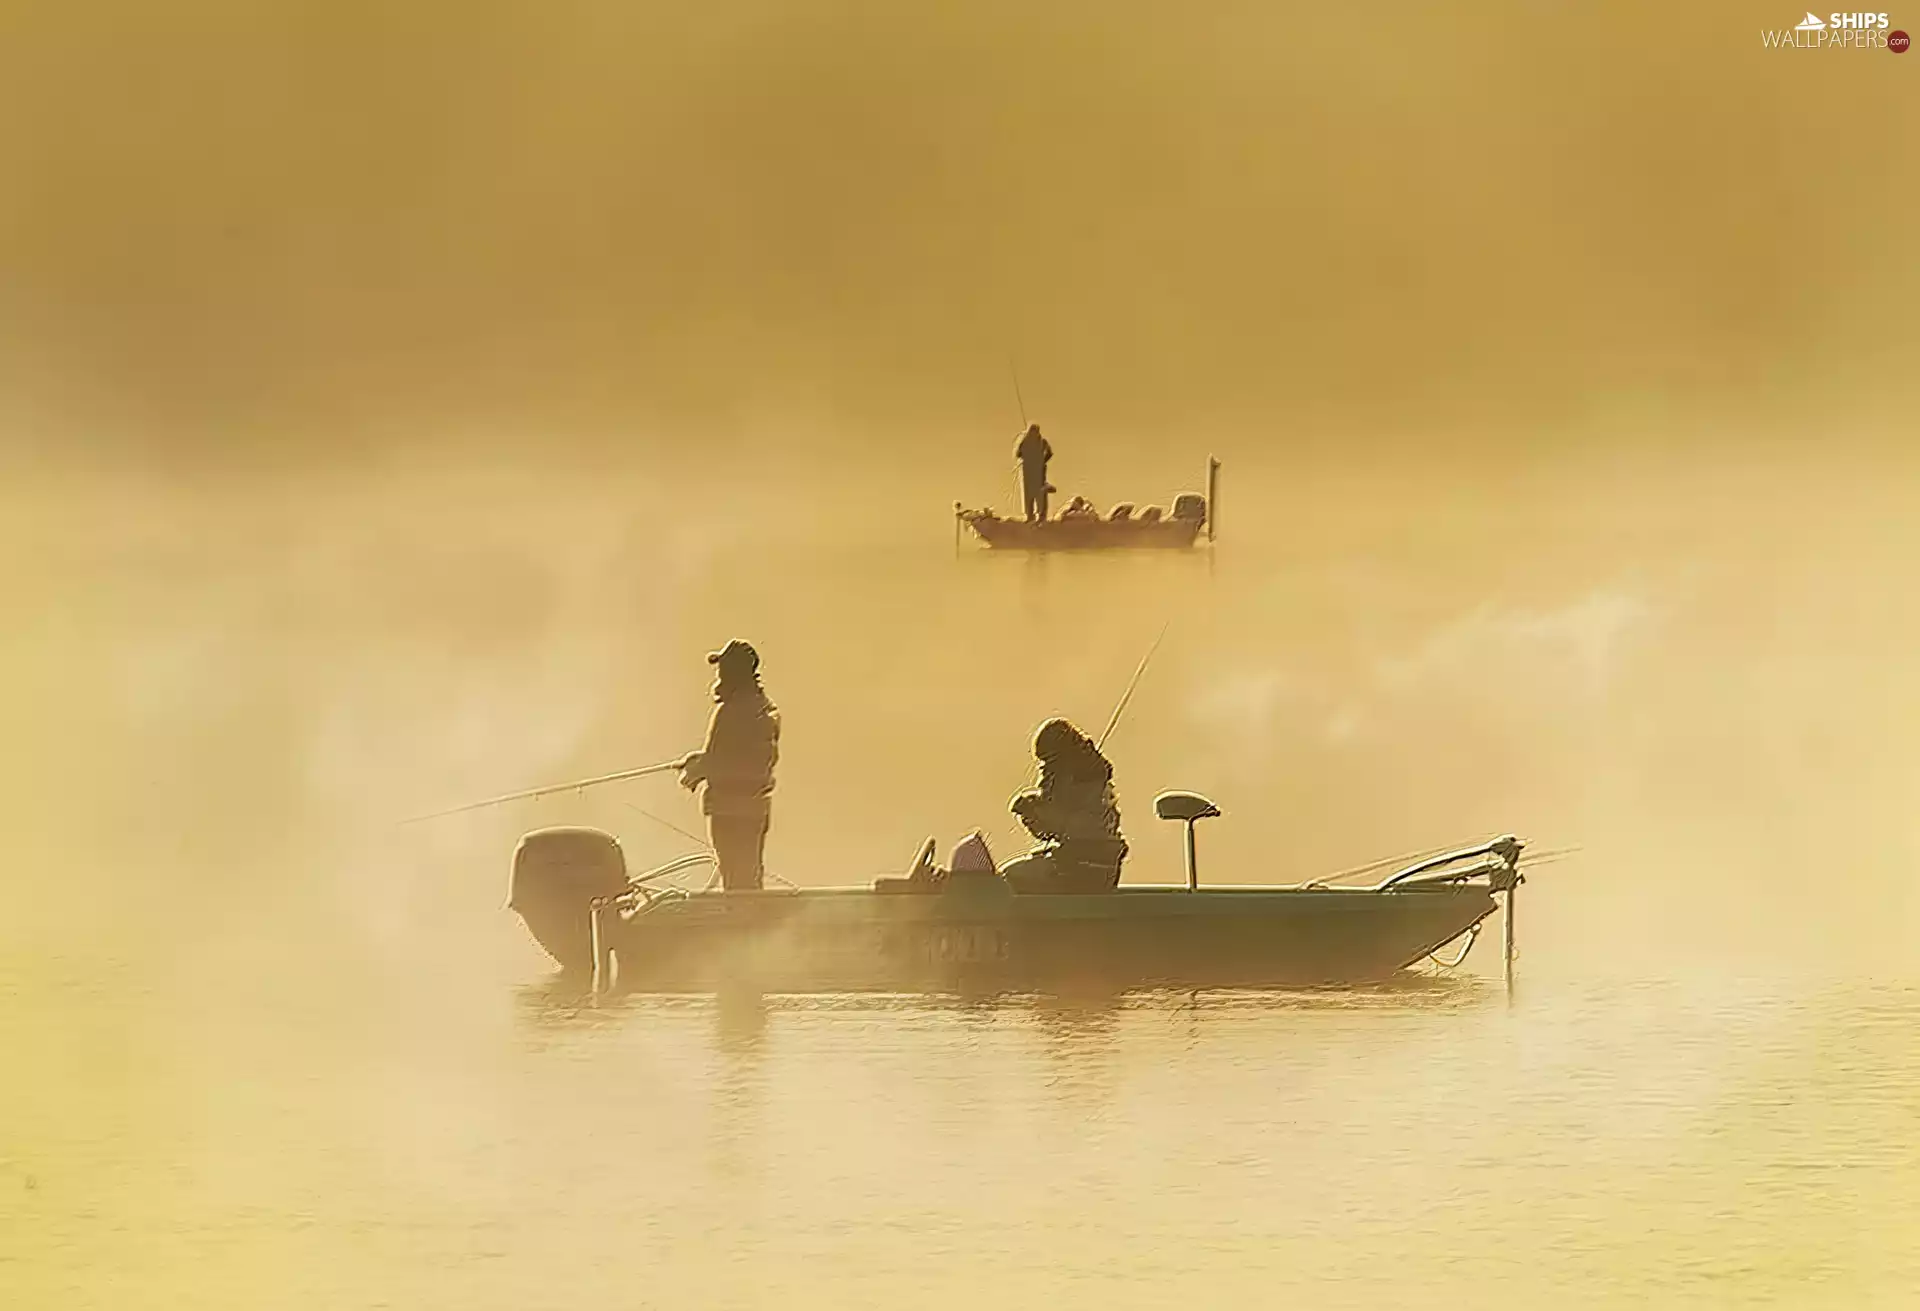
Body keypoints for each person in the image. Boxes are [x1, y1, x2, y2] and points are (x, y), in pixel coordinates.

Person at [678, 639, 780, 891]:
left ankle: (743, 922)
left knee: (736, 878)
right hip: (754, 808)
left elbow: (727, 762)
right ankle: (750, 920)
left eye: (724, 667)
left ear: (735, 672)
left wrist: (697, 770)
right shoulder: (761, 708)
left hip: (730, 810)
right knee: (749, 876)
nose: (719, 672)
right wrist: (701, 762)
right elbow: (739, 759)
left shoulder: (732, 711)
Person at [999, 718, 1127, 893]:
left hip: (1080, 869)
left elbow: (1067, 825)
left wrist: (1032, 811)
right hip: (1093, 867)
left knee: (1010, 877)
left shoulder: (1076, 779)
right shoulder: (1090, 776)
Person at [1015, 423, 1054, 522]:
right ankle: (1030, 516)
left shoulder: (1042, 442)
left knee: (1039, 494)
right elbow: (1018, 454)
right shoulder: (1025, 442)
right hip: (1028, 472)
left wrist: (1042, 461)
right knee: (1029, 495)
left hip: (1037, 472)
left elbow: (1049, 453)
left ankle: (1041, 516)